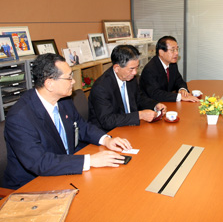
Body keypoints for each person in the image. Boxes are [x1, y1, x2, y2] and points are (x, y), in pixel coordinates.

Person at [3, 53, 132, 189]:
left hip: (64, 170)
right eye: (69, 77)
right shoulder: (20, 117)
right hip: (32, 185)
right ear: (50, 84)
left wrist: (106, 140)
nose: (74, 81)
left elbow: (81, 126)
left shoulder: (63, 100)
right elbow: (40, 162)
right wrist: (90, 160)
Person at [88, 45, 167, 132]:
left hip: (130, 126)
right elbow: (108, 121)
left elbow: (139, 99)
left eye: (137, 67)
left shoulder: (129, 77)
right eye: (131, 69)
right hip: (109, 133)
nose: (135, 72)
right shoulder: (101, 87)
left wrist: (155, 105)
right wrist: (139, 115)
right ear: (117, 68)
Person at [139, 36, 199, 102]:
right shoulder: (150, 69)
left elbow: (179, 80)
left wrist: (182, 89)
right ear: (161, 52)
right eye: (172, 50)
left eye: (177, 49)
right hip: (153, 106)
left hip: (167, 102)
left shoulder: (172, 64)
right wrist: (179, 97)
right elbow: (155, 94)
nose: (176, 53)